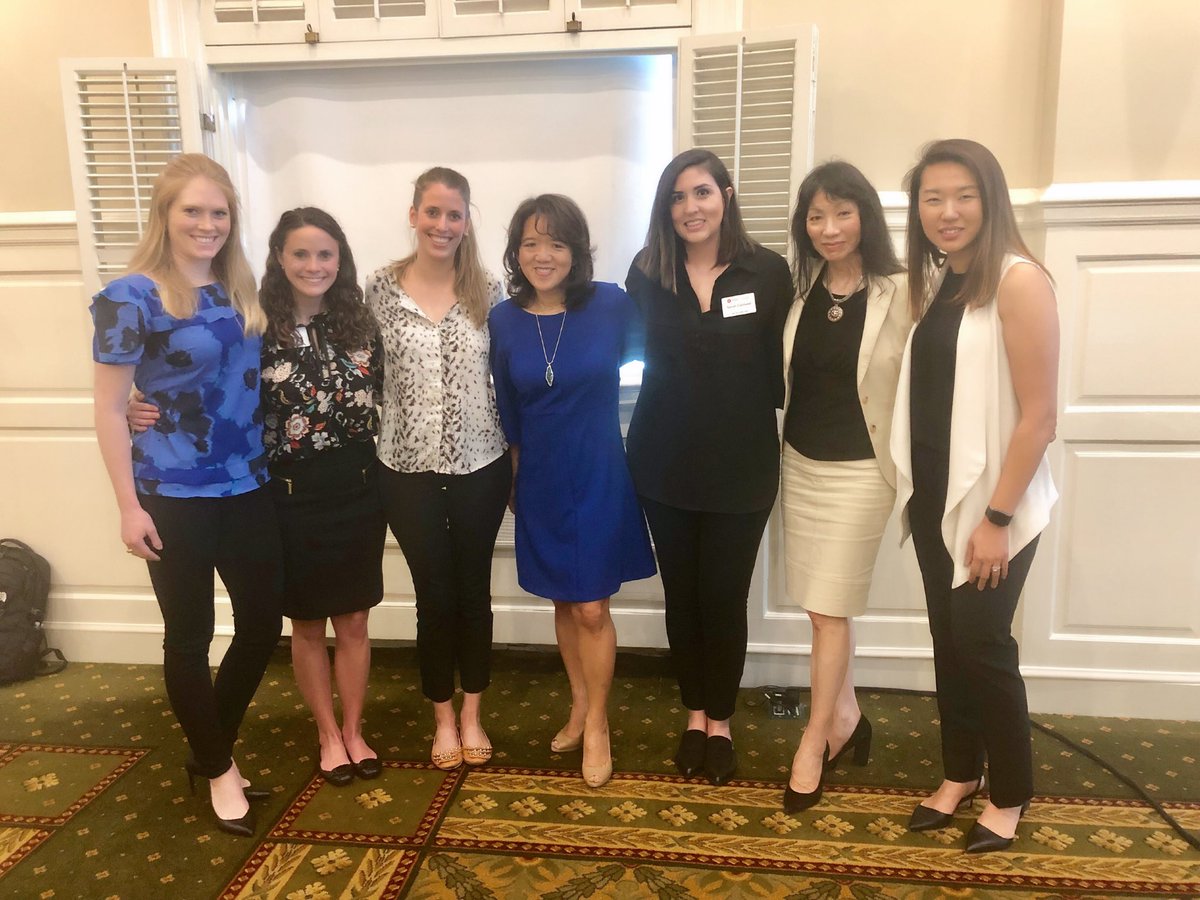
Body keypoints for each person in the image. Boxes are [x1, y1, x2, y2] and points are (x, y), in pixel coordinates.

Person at [130, 208, 388, 787]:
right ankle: (325, 735)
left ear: (340, 260)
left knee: (353, 620)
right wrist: (133, 402)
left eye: (326, 254)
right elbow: (193, 377)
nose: (314, 265)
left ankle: (353, 730)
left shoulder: (361, 323)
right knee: (305, 623)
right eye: (300, 253)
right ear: (278, 259)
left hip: (359, 494)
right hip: (285, 497)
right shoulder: (251, 323)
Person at [91, 153, 283, 837]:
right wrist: (128, 505)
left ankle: (209, 749)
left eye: (219, 213)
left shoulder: (238, 290)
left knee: (263, 625)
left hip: (248, 484)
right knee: (190, 637)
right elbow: (111, 407)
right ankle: (219, 767)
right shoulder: (130, 296)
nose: (206, 224)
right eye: (192, 211)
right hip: (172, 491)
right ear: (165, 216)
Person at [891, 139, 1059, 853]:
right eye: (933, 198)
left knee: (982, 642)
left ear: (990, 199)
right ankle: (961, 771)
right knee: (948, 639)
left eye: (963, 195)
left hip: (996, 506)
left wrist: (995, 519)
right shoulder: (939, 281)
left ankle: (1011, 792)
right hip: (936, 497)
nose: (947, 211)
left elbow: (1039, 416)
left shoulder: (1020, 281)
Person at [625, 149, 792, 786]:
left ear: (725, 195)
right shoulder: (647, 273)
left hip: (742, 467)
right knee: (682, 597)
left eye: (701, 194)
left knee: (723, 597)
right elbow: (616, 350)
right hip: (662, 462)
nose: (690, 208)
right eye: (677, 197)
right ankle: (693, 713)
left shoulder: (767, 272)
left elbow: (795, 362)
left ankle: (720, 719)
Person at [488, 194, 656, 788]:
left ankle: (600, 723)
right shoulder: (503, 319)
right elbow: (506, 406)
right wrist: (513, 474)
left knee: (592, 606)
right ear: (516, 252)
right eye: (531, 243)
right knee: (563, 599)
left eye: (556, 243)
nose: (543, 255)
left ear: (577, 252)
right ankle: (579, 705)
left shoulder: (610, 304)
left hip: (600, 471)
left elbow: (660, 360)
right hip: (540, 477)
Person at [366, 167, 512, 772]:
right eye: (432, 212)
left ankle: (474, 713)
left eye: (454, 214)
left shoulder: (491, 290)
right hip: (404, 468)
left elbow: (511, 377)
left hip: (482, 463)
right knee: (433, 595)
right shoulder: (377, 289)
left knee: (472, 592)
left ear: (467, 219)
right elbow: (352, 366)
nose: (442, 225)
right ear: (413, 214)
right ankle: (442, 718)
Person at [779, 161, 909, 812]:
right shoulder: (801, 295)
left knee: (830, 610)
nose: (829, 228)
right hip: (801, 464)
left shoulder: (903, 291)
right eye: (816, 216)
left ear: (866, 216)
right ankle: (850, 715)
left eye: (843, 212)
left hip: (863, 472)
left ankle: (813, 739)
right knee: (819, 607)